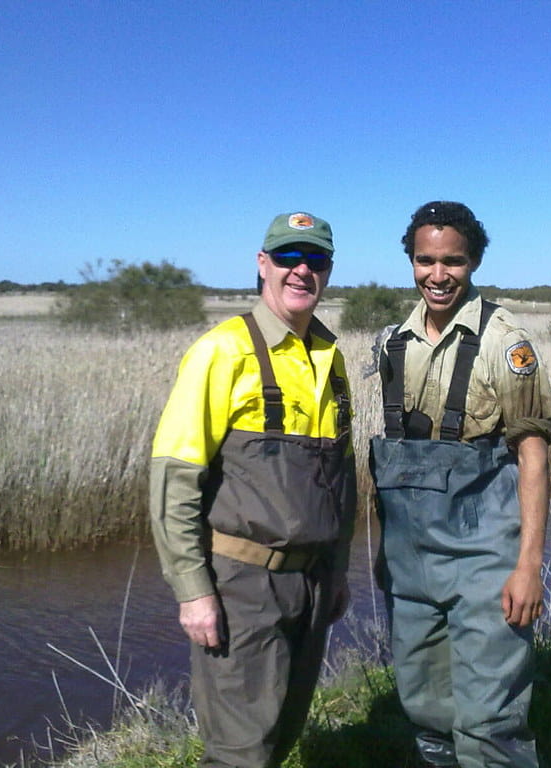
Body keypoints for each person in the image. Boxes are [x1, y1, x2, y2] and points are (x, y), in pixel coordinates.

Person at [149, 211, 356, 768]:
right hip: (243, 586)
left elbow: (341, 479)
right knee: (241, 752)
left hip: (312, 584)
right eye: (288, 257)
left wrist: (336, 572)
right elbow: (175, 480)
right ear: (263, 264)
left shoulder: (330, 359)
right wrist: (194, 591)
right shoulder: (221, 351)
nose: (301, 270)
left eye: (315, 260)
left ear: (328, 272)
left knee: (282, 734)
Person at [370, 201, 551, 768]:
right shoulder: (391, 344)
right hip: (411, 561)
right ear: (411, 261)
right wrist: (384, 554)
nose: (438, 275)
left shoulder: (507, 343)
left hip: (485, 558)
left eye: (452, 261)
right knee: (425, 705)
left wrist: (528, 566)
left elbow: (533, 454)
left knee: (487, 720)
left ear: (472, 261)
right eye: (425, 261)